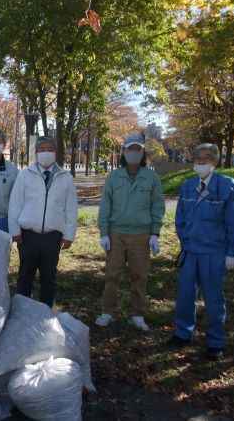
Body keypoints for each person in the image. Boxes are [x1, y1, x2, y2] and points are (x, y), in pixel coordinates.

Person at [170, 143, 234, 360]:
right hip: (190, 251)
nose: (200, 162)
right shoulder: (187, 186)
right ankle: (183, 334)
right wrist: (185, 241)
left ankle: (216, 342)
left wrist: (232, 252)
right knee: (184, 296)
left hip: (214, 253)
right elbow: (180, 218)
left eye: (206, 158)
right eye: (197, 158)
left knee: (213, 300)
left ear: (215, 161)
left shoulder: (227, 186)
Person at [95, 133, 165, 332]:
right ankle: (107, 311)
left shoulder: (151, 177)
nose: (133, 153)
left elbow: (157, 206)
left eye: (137, 149)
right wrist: (104, 232)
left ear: (142, 152)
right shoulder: (114, 176)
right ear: (123, 152)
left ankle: (137, 314)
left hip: (141, 235)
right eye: (129, 149)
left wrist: (155, 233)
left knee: (139, 276)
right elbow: (105, 206)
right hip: (116, 234)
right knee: (112, 275)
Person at [8, 136, 78, 308]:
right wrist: (14, 230)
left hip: (52, 237)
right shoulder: (25, 175)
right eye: (42, 149)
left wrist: (69, 235)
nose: (46, 152)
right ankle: (21, 313)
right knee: (25, 276)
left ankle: (45, 316)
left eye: (50, 149)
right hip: (28, 236)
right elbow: (15, 204)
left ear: (55, 152)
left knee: (49, 277)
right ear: (36, 153)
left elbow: (71, 209)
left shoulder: (65, 177)